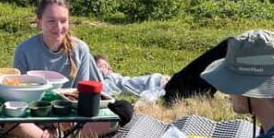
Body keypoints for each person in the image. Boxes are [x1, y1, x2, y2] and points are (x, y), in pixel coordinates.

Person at [11, 0, 112, 138]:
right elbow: (19, 97)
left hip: (69, 117)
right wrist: (46, 123)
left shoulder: (80, 50)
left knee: (121, 112)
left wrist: (61, 124)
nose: (58, 27)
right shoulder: (24, 50)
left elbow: (80, 96)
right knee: (9, 122)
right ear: (39, 21)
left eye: (63, 21)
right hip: (34, 116)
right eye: (51, 21)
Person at [95, 40, 229, 102]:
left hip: (169, 81)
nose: (107, 68)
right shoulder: (105, 84)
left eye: (108, 66)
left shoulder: (117, 78)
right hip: (169, 86)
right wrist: (161, 88)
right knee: (219, 53)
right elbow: (103, 94)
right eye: (102, 65)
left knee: (210, 69)